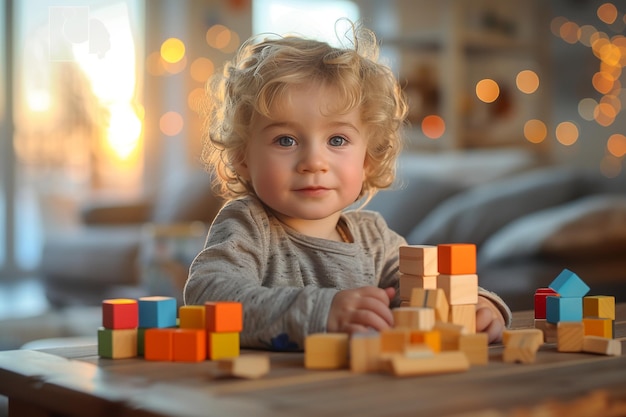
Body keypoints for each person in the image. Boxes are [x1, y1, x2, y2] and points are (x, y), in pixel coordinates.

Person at [184, 23, 511, 351]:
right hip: (270, 395)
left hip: (361, 393)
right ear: (242, 158)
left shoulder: (375, 239)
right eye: (286, 140)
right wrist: (322, 312)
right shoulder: (248, 226)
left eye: (337, 140)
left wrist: (479, 306)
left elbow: (429, 293)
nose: (313, 162)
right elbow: (207, 296)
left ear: (367, 159)